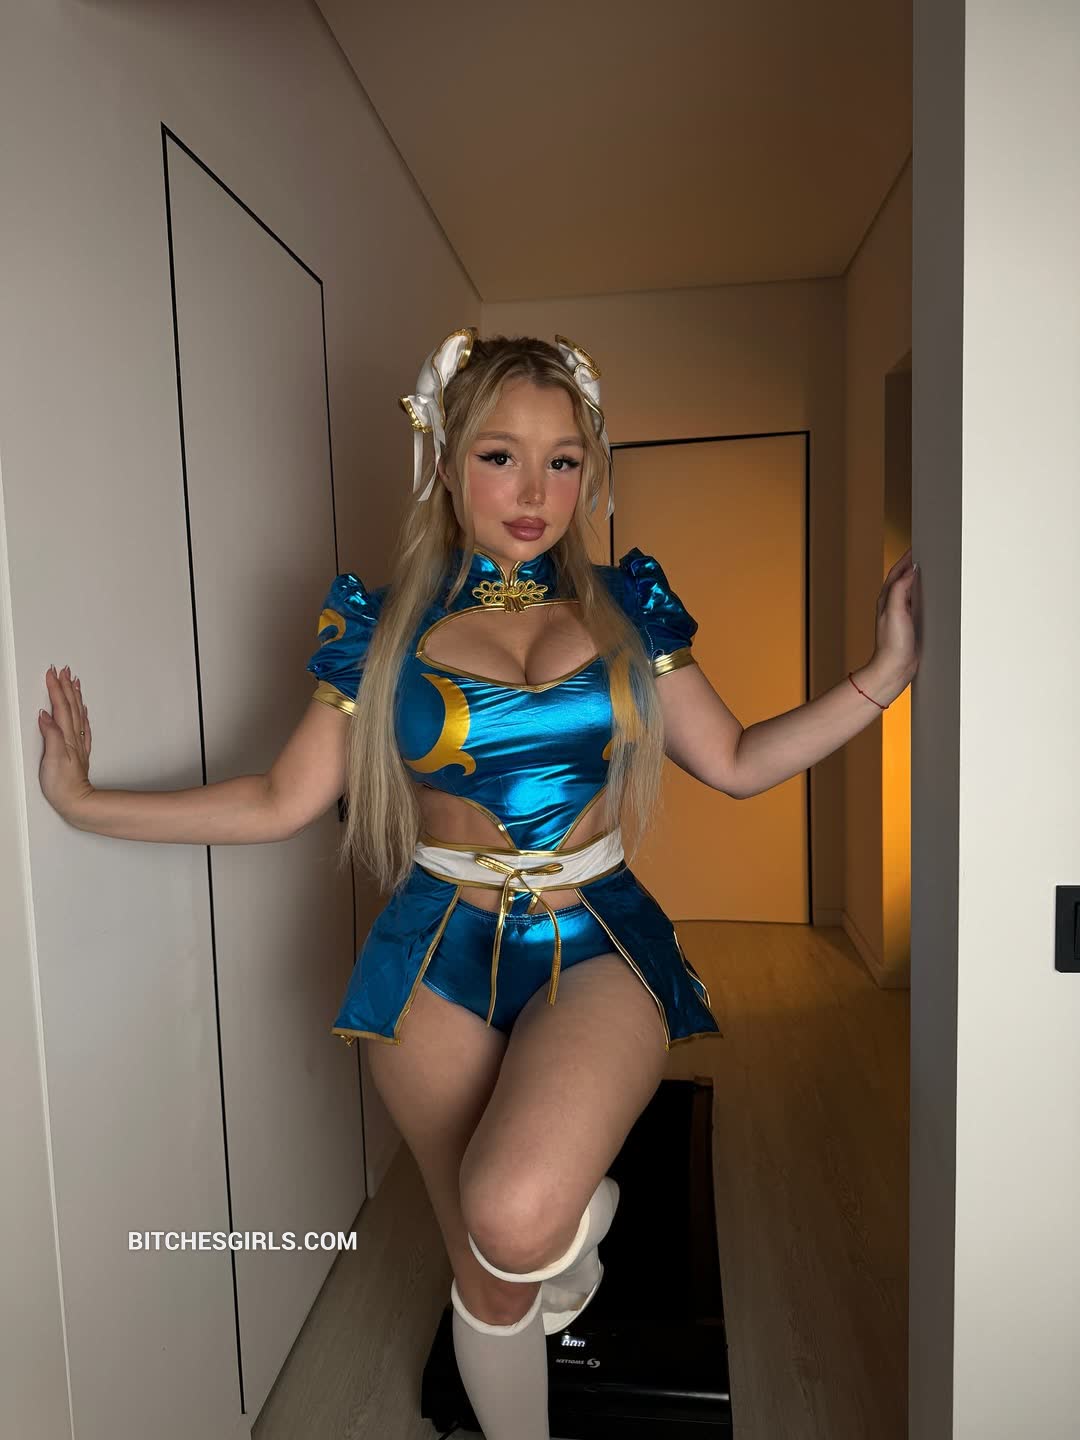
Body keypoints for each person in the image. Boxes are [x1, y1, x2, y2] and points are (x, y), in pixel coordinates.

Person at [37, 328, 920, 1440]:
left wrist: (884, 674)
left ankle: (565, 1228)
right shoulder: (381, 624)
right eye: (502, 456)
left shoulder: (627, 604)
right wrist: (87, 802)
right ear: (447, 464)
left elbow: (738, 761)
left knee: (512, 1214)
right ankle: (551, 1278)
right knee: (493, 1282)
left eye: (563, 460)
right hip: (431, 952)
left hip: (594, 940)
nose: (536, 491)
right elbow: (278, 800)